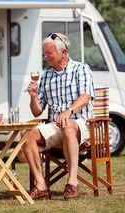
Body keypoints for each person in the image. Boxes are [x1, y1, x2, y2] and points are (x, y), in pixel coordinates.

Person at [24, 33, 95, 200]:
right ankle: (41, 186)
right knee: (27, 134)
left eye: (49, 53)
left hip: (81, 124)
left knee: (67, 125)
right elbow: (37, 111)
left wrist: (69, 111)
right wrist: (33, 96)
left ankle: (72, 182)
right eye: (45, 53)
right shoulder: (46, 76)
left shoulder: (81, 69)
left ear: (63, 52)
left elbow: (85, 97)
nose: (45, 57)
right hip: (56, 125)